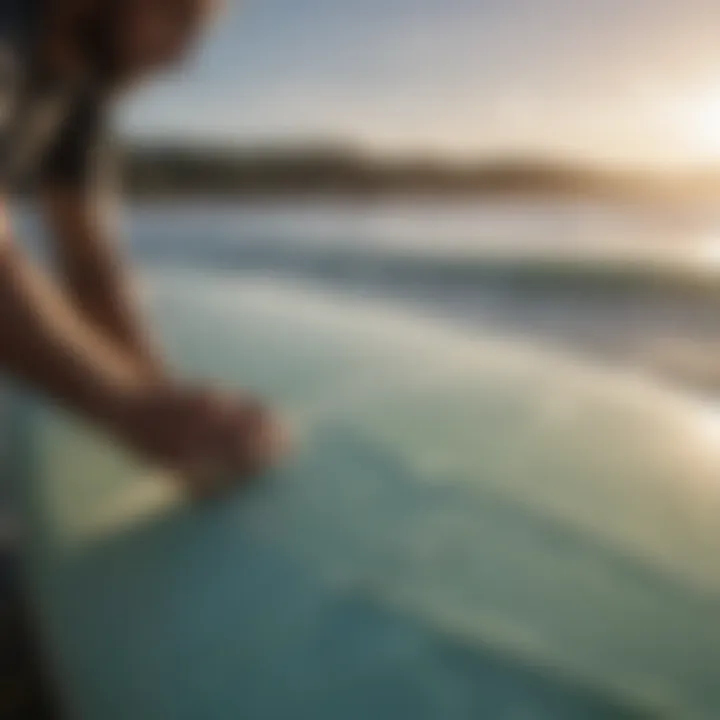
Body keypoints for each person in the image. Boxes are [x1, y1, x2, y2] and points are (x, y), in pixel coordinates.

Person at [0, 0, 286, 498]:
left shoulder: (77, 91)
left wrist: (166, 404)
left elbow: (93, 266)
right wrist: (127, 406)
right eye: (178, 19)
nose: (183, 59)